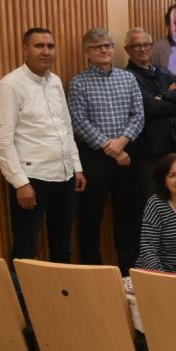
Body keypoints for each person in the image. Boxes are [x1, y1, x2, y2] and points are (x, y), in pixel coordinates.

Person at [0, 27, 85, 262]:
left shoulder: (55, 81)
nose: (46, 51)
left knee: (62, 246)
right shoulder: (10, 85)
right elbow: (3, 141)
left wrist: (76, 167)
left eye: (50, 46)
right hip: (32, 178)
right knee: (26, 248)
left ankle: (61, 298)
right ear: (25, 49)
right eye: (39, 46)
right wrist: (19, 183)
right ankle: (21, 299)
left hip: (64, 176)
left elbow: (65, 126)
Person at [68, 27, 145, 269]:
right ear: (86, 52)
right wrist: (111, 148)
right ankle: (94, 273)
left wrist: (122, 142)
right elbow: (79, 122)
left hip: (127, 156)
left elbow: (139, 115)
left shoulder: (128, 78)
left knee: (127, 218)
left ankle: (128, 272)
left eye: (107, 46)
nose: (103, 50)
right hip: (95, 159)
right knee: (91, 219)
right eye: (97, 46)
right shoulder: (78, 83)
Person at [124, 27, 176, 220]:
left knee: (173, 204)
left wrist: (162, 97)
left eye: (146, 44)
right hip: (147, 153)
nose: (143, 49)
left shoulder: (162, 72)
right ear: (128, 49)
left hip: (172, 147)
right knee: (149, 207)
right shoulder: (128, 77)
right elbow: (150, 108)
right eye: (137, 45)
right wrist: (167, 100)